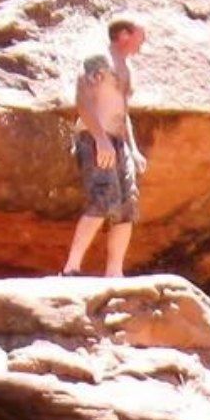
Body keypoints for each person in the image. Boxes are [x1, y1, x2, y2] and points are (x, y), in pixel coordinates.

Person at [62, 17, 148, 278]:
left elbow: (123, 112)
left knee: (126, 206)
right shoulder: (98, 59)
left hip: (119, 142)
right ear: (124, 34)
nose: (143, 42)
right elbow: (82, 100)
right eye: (140, 35)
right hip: (94, 137)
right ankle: (71, 267)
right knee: (102, 199)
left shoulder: (125, 67)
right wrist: (100, 139)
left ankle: (115, 272)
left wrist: (132, 148)